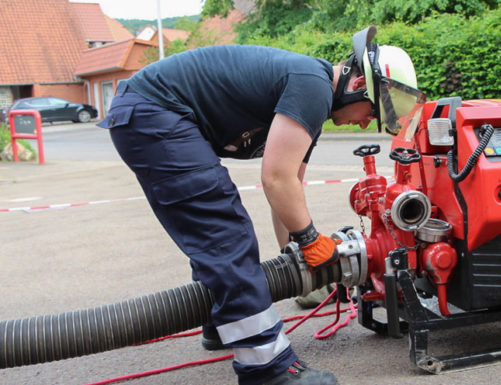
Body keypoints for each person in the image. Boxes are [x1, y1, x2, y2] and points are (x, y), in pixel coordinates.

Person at [98, 26, 423, 385]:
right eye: (371, 112)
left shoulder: (310, 98)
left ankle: (223, 324)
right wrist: (312, 240)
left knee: (215, 232)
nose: (365, 124)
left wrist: (295, 256)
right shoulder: (312, 84)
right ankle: (267, 368)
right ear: (357, 84)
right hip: (154, 111)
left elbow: (289, 187)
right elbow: (276, 178)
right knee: (224, 230)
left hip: (148, 111)